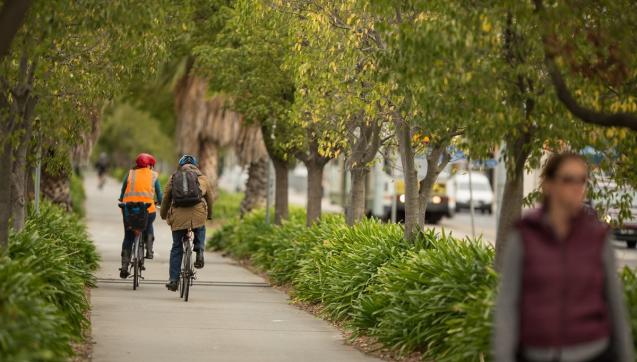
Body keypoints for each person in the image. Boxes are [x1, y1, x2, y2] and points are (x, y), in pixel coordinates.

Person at [493, 152, 634, 362]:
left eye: (582, 180)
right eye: (568, 179)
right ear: (549, 184)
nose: (577, 187)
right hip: (537, 353)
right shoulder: (525, 234)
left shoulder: (598, 236)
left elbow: (615, 303)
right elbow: (508, 303)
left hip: (593, 352)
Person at [160, 154, 214, 291]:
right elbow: (210, 199)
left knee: (177, 247)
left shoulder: (173, 178)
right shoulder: (202, 179)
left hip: (178, 215)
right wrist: (210, 216)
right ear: (195, 166)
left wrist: (163, 214)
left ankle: (173, 280)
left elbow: (166, 198)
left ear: (180, 166)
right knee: (200, 225)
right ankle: (199, 250)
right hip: (197, 214)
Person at [118, 153, 162, 278]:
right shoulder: (153, 176)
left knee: (128, 237)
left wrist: (122, 199)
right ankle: (149, 247)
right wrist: (161, 202)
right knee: (149, 222)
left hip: (129, 210)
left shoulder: (130, 174)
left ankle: (125, 266)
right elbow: (159, 194)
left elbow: (122, 191)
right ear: (149, 165)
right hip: (147, 209)